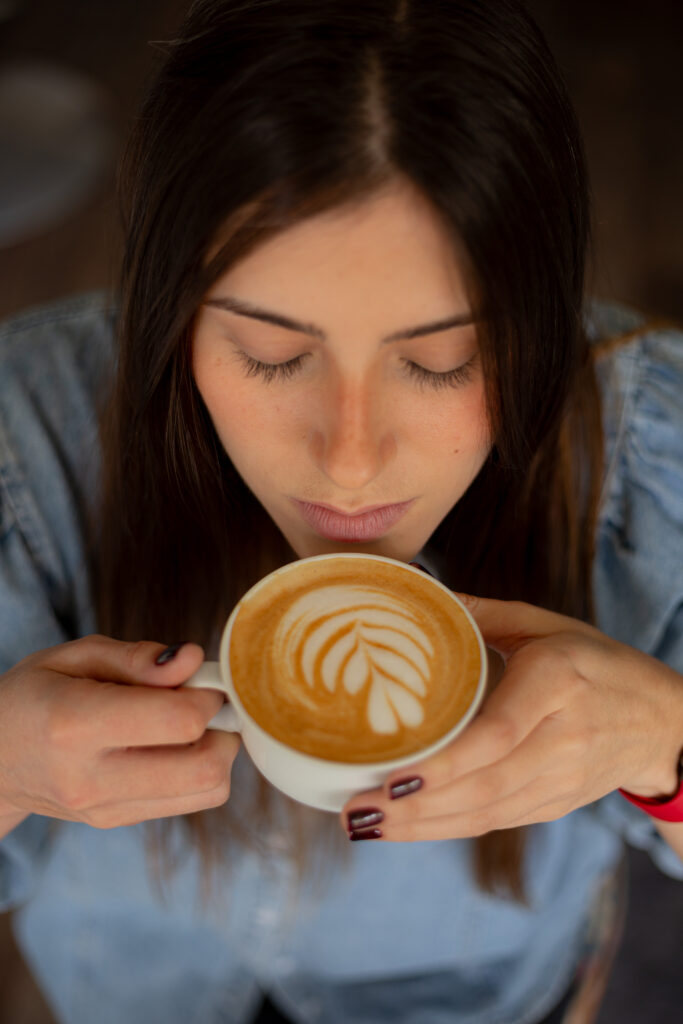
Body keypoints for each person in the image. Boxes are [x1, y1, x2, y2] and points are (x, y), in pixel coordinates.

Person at [0, 1, 681, 1022]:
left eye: (441, 360)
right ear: (167, 313)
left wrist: (660, 739)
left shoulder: (645, 444)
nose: (352, 462)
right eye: (271, 355)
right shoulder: (23, 436)